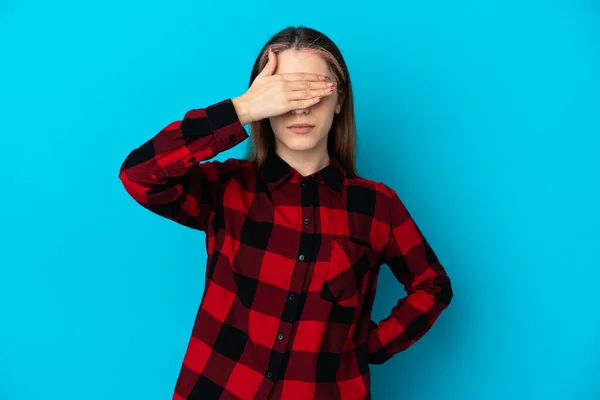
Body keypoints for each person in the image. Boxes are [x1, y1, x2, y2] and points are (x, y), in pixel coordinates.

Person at [119, 26, 453, 400]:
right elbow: (140, 175)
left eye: (316, 89)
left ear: (340, 99)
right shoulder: (228, 188)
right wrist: (242, 109)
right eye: (285, 93)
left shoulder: (377, 206)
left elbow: (432, 286)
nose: (301, 107)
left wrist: (369, 347)